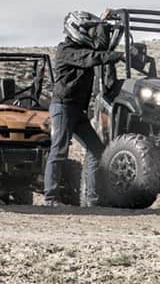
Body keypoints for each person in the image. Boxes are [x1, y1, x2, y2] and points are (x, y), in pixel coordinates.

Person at [43, 11, 124, 207]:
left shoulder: (83, 48)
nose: (90, 33)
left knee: (97, 150)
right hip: (63, 107)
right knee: (59, 150)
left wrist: (102, 24)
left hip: (77, 110)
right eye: (87, 29)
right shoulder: (66, 50)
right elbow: (92, 57)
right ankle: (50, 198)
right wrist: (118, 55)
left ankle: (94, 200)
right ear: (75, 29)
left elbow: (100, 48)